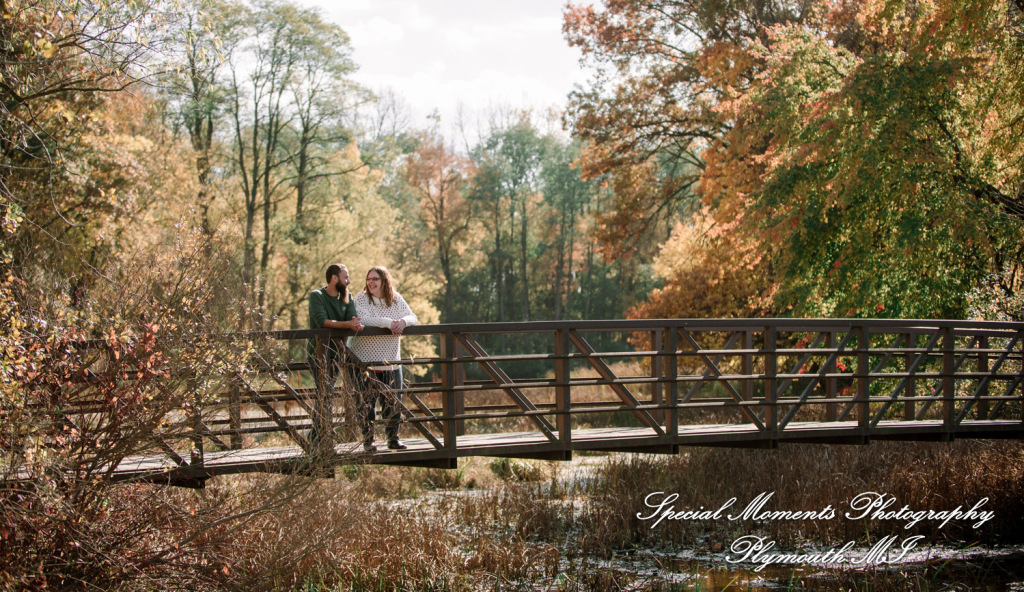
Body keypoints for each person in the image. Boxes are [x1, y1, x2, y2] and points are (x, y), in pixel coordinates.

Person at [349, 266, 418, 452]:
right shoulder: (361, 298)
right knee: (366, 403)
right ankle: (368, 442)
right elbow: (364, 318)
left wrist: (403, 322)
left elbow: (413, 317)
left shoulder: (395, 298)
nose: (371, 282)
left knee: (393, 402)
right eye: (368, 279)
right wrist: (389, 323)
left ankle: (393, 439)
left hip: (390, 360)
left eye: (375, 279)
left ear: (384, 281)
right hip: (364, 361)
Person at [307, 263, 364, 445]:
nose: (349, 281)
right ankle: (319, 437)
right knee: (325, 392)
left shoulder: (348, 297)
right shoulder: (316, 296)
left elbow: (352, 317)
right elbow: (322, 321)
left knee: (326, 392)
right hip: (318, 354)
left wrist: (354, 323)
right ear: (334, 278)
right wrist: (348, 325)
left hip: (338, 353)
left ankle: (317, 436)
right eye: (345, 277)